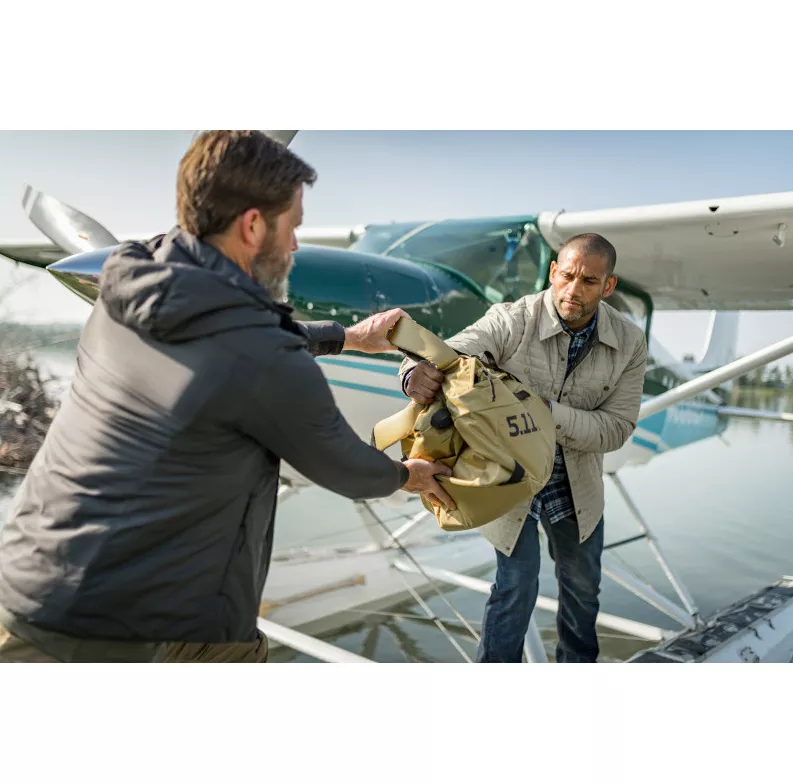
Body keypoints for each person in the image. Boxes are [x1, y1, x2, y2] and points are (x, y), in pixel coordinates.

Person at [0, 130, 454, 663]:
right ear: (253, 225)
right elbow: (349, 469)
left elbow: (228, 338)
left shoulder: (127, 283)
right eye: (293, 227)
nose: (295, 246)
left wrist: (346, 338)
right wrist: (408, 475)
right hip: (138, 623)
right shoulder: (263, 358)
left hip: (27, 583)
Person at [401, 233, 647, 662]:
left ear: (608, 286)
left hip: (576, 482)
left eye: (589, 281)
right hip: (508, 475)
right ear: (552, 272)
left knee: (583, 588)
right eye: (566, 275)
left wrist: (543, 413)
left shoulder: (630, 342)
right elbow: (452, 352)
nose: (573, 289)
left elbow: (616, 429)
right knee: (516, 584)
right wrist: (412, 370)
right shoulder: (512, 318)